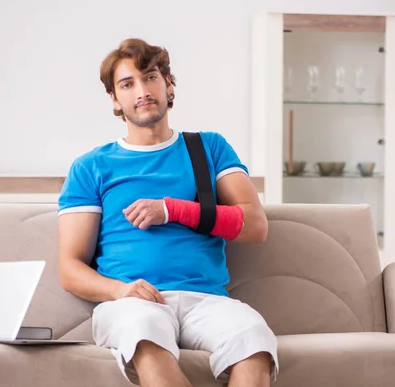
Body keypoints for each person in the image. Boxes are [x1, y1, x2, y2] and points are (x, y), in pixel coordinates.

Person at [57, 38, 279, 387]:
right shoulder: (92, 166)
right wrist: (119, 291)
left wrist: (171, 210)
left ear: (169, 84)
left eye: (150, 78)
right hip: (134, 301)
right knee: (145, 336)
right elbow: (70, 268)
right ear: (115, 99)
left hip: (207, 300)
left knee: (255, 341)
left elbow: (255, 226)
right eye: (127, 84)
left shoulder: (209, 147)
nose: (142, 91)